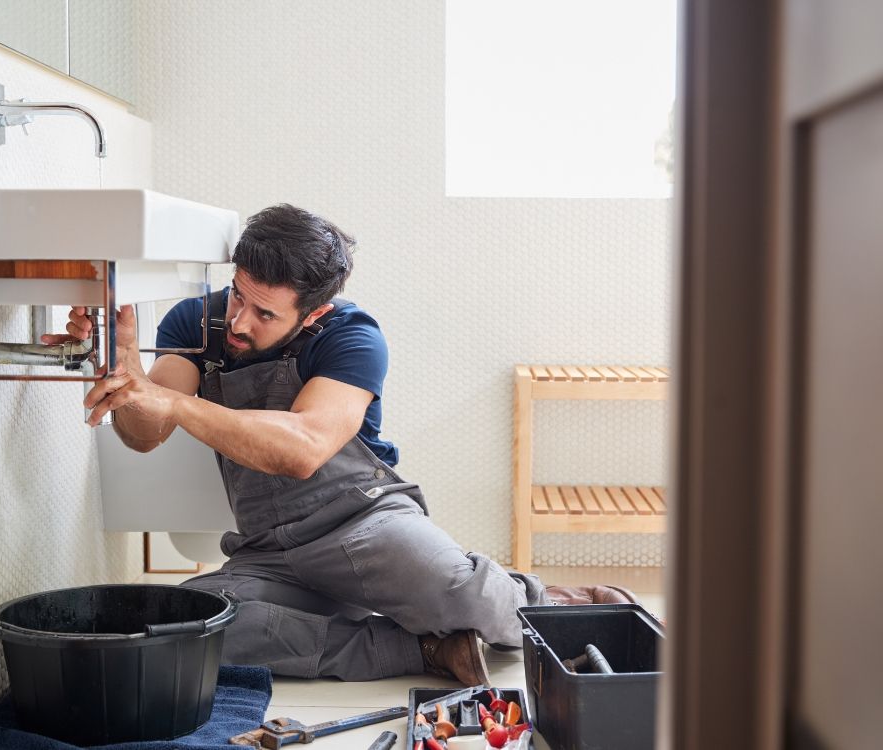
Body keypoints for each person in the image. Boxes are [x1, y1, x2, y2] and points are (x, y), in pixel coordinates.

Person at [53, 204, 636, 684]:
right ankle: (426, 652)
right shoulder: (194, 323)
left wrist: (178, 401)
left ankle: (544, 600)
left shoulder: (353, 337)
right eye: (237, 296)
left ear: (315, 313)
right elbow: (145, 436)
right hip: (268, 550)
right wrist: (126, 374)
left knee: (464, 597)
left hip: (365, 525)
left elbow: (303, 449)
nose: (238, 322)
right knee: (190, 631)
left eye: (265, 313)